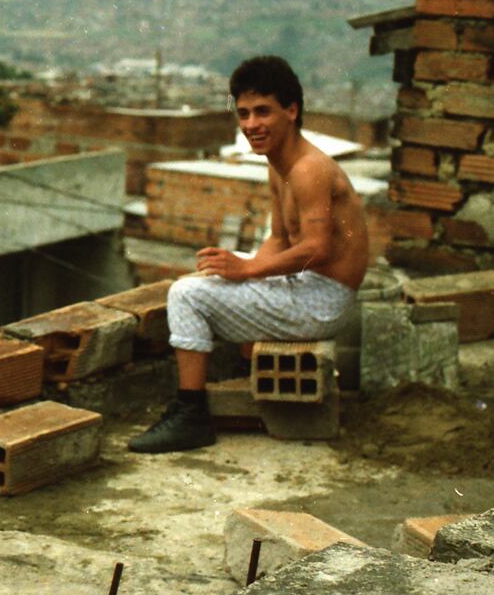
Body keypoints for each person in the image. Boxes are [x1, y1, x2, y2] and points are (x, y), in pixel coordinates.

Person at [129, 55, 368, 454]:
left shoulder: (309, 168)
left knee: (185, 294)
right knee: (208, 274)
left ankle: (190, 414)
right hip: (311, 288)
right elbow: (278, 238)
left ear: (291, 111)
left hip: (324, 301)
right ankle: (242, 362)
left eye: (263, 112)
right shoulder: (280, 164)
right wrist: (242, 270)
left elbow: (317, 248)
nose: (251, 125)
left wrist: (248, 270)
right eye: (243, 114)